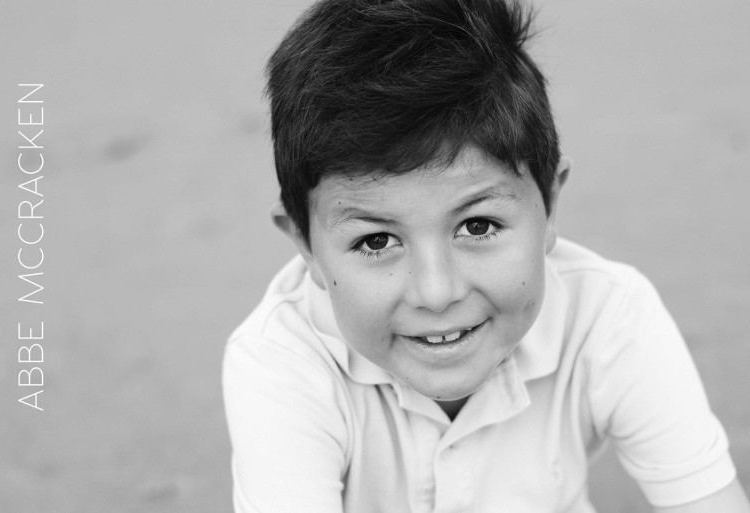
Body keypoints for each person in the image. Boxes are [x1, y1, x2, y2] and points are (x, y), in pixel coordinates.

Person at [222, 0, 750, 511]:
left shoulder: (609, 318)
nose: (437, 292)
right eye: (376, 241)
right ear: (305, 245)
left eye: (478, 225)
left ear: (549, 202)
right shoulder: (280, 364)